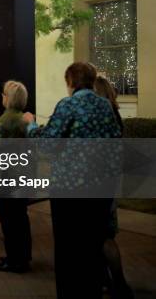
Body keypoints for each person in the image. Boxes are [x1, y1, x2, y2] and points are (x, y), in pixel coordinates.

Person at [23, 62, 121, 298]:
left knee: (68, 250)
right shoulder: (106, 106)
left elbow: (47, 144)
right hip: (100, 188)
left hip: (70, 190)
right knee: (92, 248)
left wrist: (31, 125)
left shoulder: (68, 105)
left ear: (71, 82)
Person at [0, 80, 32, 273]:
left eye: (4, 94)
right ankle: (22, 256)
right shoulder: (21, 117)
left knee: (9, 219)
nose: (2, 97)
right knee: (20, 218)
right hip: (21, 173)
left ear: (9, 98)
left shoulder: (8, 119)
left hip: (7, 176)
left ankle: (15, 260)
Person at [94, 75, 133, 299]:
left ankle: (118, 284)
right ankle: (107, 281)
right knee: (103, 234)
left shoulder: (104, 116)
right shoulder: (114, 115)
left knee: (104, 236)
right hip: (109, 181)